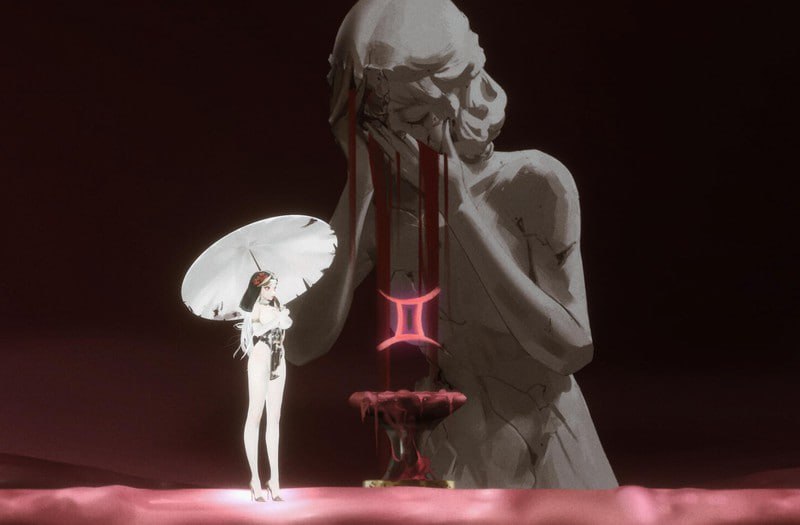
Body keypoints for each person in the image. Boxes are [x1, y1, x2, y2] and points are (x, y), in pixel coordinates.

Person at [284, 0, 617, 488]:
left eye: (413, 116)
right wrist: (357, 190)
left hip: (546, 447)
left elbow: (571, 346)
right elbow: (299, 344)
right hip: (451, 451)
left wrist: (459, 207)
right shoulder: (382, 210)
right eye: (378, 121)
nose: (397, 135)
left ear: (456, 99)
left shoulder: (534, 181)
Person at [237, 270, 292, 501]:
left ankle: (275, 479)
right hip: (261, 357)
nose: (272, 291)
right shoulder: (255, 308)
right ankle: (255, 478)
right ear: (258, 288)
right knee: (256, 414)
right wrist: (278, 319)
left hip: (279, 359)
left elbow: (287, 324)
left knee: (275, 418)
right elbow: (257, 331)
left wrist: (283, 316)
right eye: (268, 287)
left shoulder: (277, 305)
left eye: (274, 287)